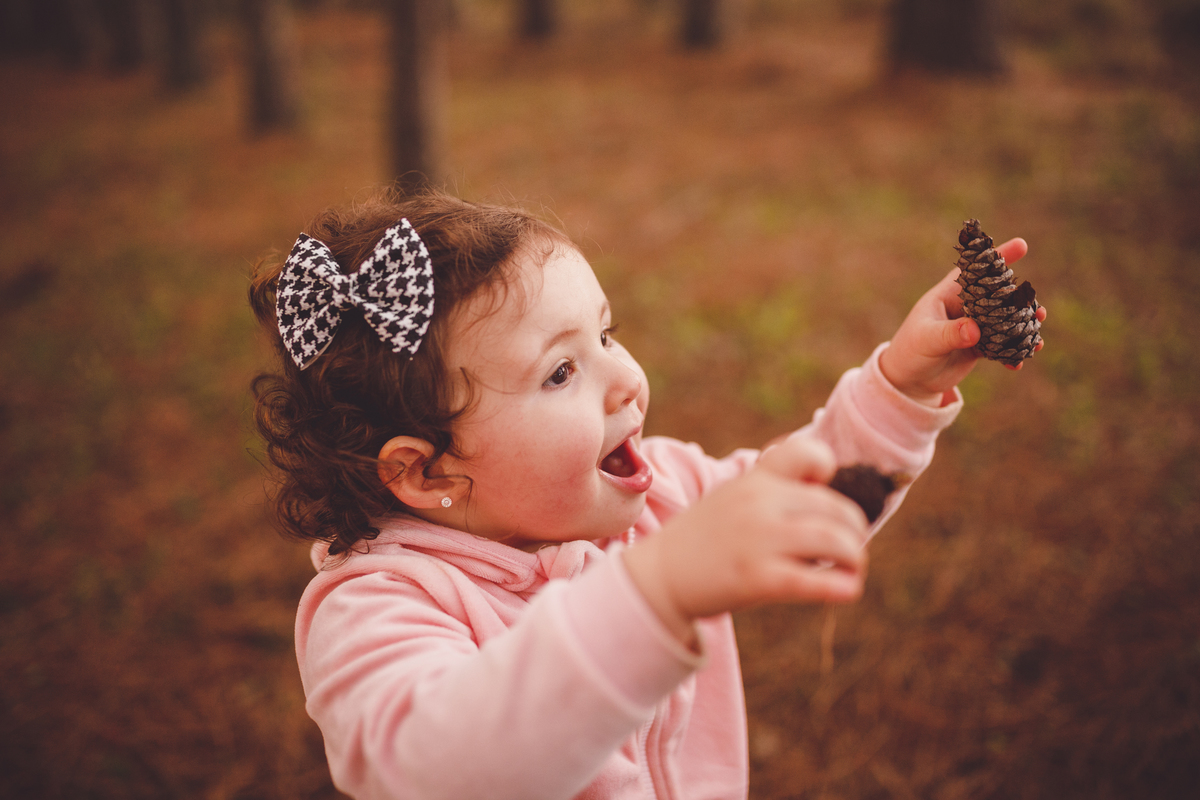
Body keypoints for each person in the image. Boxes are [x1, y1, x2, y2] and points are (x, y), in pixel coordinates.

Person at [249, 189, 1044, 800]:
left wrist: (903, 384)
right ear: (425, 473)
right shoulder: (379, 608)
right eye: (561, 371)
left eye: (606, 334)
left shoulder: (655, 500)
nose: (625, 378)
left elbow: (808, 492)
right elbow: (437, 767)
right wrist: (650, 596)